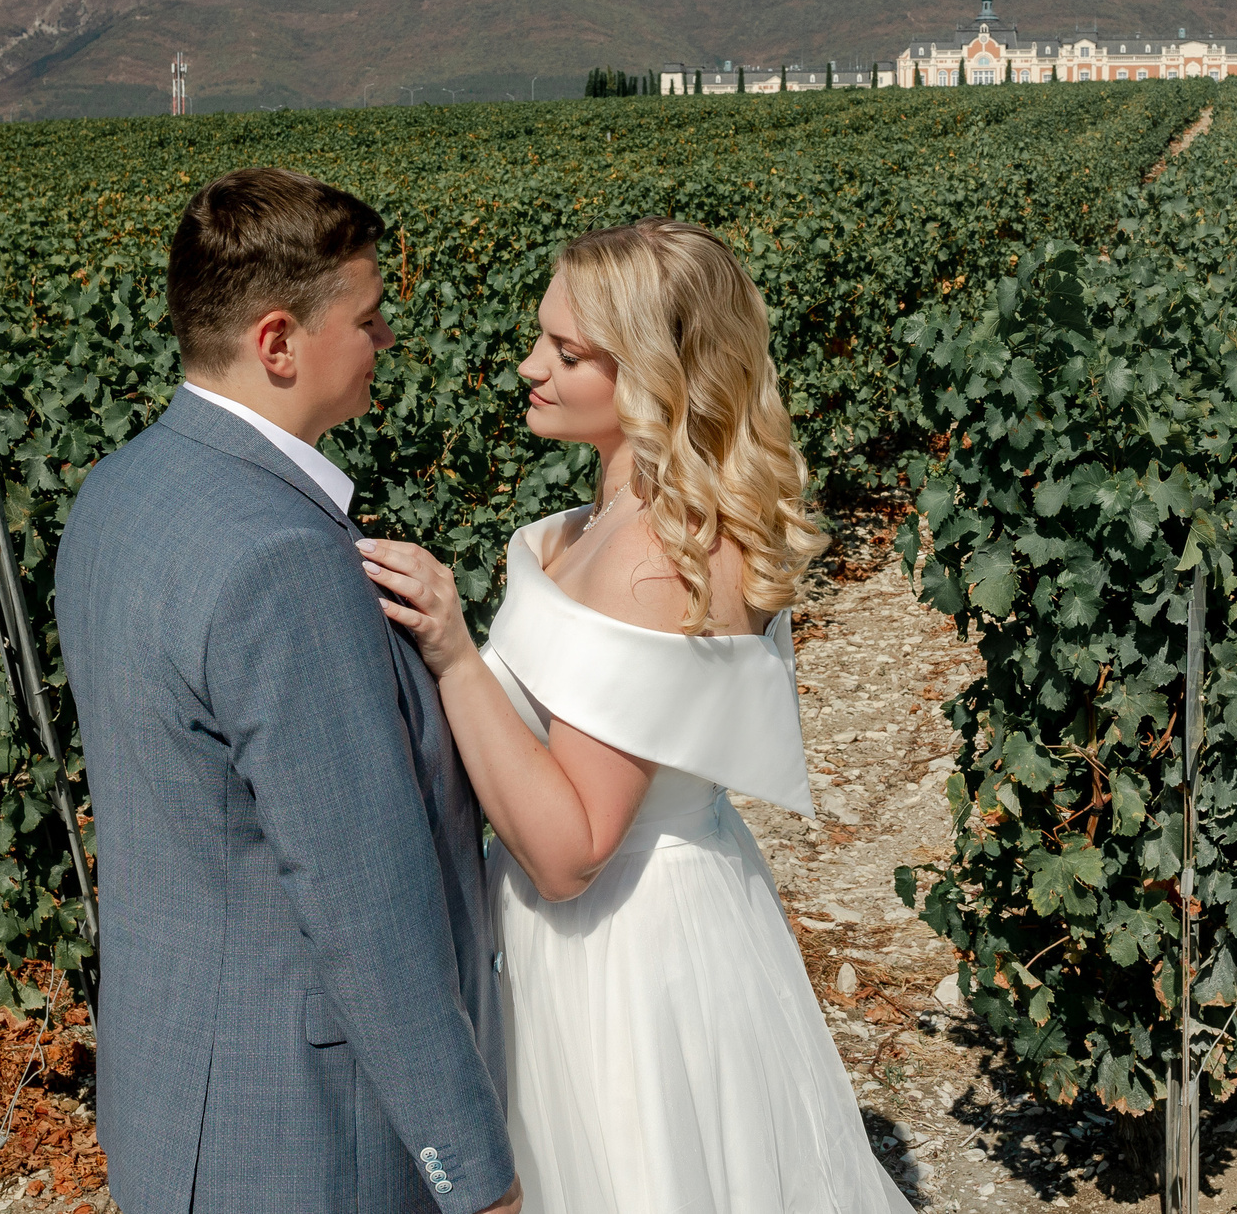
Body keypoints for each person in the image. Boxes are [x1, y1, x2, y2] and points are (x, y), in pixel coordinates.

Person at [358, 218, 912, 1214]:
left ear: (653, 373)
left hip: (619, 961)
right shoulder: (605, 527)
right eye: (541, 337)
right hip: (638, 923)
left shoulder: (652, 560)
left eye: (566, 353)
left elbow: (573, 850)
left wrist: (449, 649)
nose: (529, 366)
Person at [57, 167, 520, 1214]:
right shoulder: (283, 560)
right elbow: (363, 904)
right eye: (366, 317)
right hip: (307, 1130)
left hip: (174, 1085)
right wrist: (472, 1171)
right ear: (277, 343)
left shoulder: (120, 488)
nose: (387, 339)